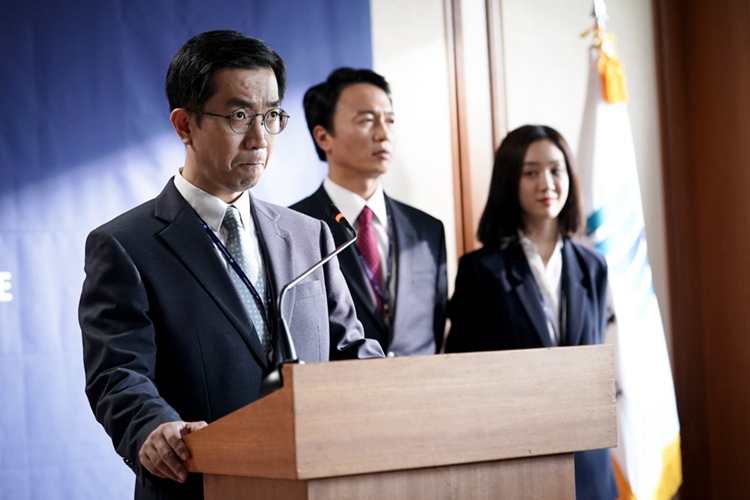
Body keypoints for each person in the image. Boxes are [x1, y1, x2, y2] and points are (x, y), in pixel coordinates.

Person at [78, 31, 384, 500]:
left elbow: (349, 351)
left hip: (315, 482)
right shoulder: (124, 245)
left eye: (271, 116)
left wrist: (399, 388)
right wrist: (154, 428)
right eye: (239, 116)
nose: (259, 139)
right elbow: (118, 374)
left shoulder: (310, 236)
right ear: (185, 125)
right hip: (200, 484)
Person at [444, 124, 618, 500]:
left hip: (589, 467)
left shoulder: (593, 265)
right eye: (531, 173)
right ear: (510, 180)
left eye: (556, 170)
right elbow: (465, 378)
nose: (547, 184)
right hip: (516, 466)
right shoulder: (481, 270)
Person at [290, 68, 448, 356]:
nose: (383, 134)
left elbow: (435, 328)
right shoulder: (292, 229)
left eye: (390, 120)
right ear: (324, 137)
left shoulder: (427, 230)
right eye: (366, 120)